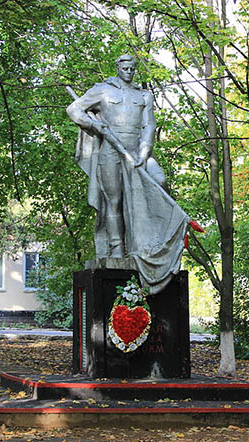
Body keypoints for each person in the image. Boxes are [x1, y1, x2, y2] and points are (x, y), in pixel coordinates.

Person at [67, 55, 189, 293]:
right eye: (125, 68)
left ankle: (152, 245)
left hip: (137, 152)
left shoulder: (144, 95)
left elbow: (149, 125)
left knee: (159, 181)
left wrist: (144, 151)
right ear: (118, 68)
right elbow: (74, 109)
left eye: (132, 68)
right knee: (114, 200)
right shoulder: (102, 91)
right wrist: (95, 125)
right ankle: (116, 249)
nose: (129, 71)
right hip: (110, 152)